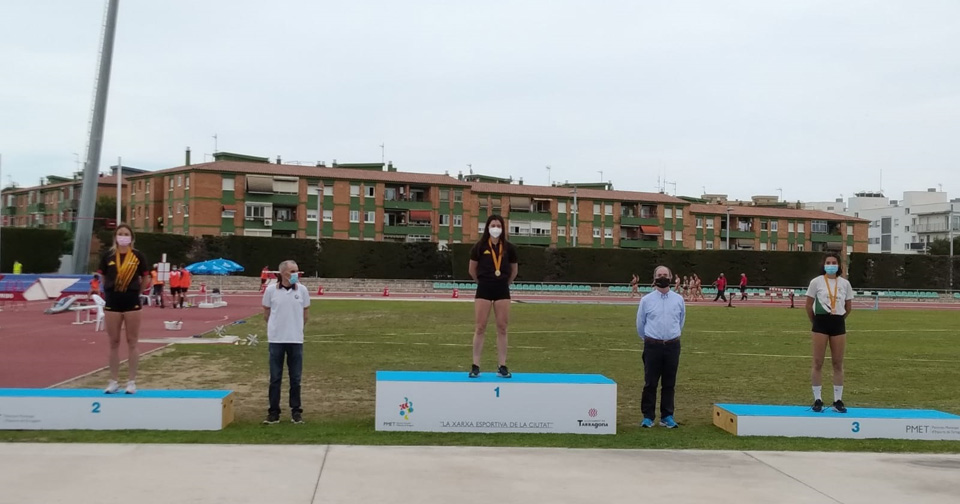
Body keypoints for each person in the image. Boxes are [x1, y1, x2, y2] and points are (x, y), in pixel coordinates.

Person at [97, 224, 151, 394]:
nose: (123, 236)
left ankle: (131, 381)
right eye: (120, 233)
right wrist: (109, 290)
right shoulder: (108, 256)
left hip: (131, 301)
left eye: (126, 234)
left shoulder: (138, 256)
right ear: (115, 237)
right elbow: (103, 276)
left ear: (131, 238)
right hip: (112, 301)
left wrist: (138, 292)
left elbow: (146, 277)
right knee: (113, 342)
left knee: (132, 341)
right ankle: (113, 381)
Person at [468, 214, 519, 379]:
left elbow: (514, 270)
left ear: (503, 228)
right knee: (480, 327)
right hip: (484, 288)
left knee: (502, 327)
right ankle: (476, 365)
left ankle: (502, 365)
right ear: (487, 227)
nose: (495, 228)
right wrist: (481, 282)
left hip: (502, 289)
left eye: (498, 225)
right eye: (493, 225)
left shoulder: (509, 248)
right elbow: (472, 269)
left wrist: (505, 283)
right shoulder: (479, 247)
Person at [262, 260, 311, 424]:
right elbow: (267, 313)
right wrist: (275, 329)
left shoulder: (302, 290)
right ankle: (273, 412)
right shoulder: (271, 290)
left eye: (297, 271)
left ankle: (296, 411)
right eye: (292, 271)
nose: (296, 274)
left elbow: (305, 314)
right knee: (275, 377)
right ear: (283, 273)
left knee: (295, 378)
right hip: (276, 340)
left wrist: (296, 328)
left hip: (295, 340)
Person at [636, 265, 685, 429]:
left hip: (672, 346)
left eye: (665, 274)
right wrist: (650, 339)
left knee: (669, 383)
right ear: (654, 278)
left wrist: (671, 336)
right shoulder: (646, 300)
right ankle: (648, 416)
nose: (662, 277)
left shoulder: (678, 300)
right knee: (650, 383)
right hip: (652, 346)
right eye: (659, 275)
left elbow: (680, 321)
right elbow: (640, 324)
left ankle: (667, 416)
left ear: (670, 278)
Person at [805, 253, 854, 413]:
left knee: (838, 363)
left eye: (834, 262)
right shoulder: (816, 282)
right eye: (828, 262)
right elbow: (808, 305)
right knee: (818, 362)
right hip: (820, 323)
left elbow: (848, 307)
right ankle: (817, 399)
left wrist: (838, 318)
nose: (831, 265)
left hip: (838, 323)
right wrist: (815, 321)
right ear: (824, 264)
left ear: (839, 265)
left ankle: (837, 400)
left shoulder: (845, 283)